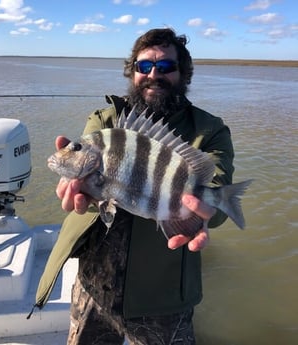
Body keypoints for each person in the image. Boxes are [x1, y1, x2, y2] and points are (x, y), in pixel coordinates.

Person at [35, 28, 234, 344]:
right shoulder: (105, 120)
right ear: (133, 72)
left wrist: (206, 212)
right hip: (93, 287)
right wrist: (72, 183)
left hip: (163, 298)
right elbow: (82, 169)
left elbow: (218, 190)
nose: (154, 74)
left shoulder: (209, 130)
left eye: (166, 67)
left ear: (183, 74)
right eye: (144, 67)